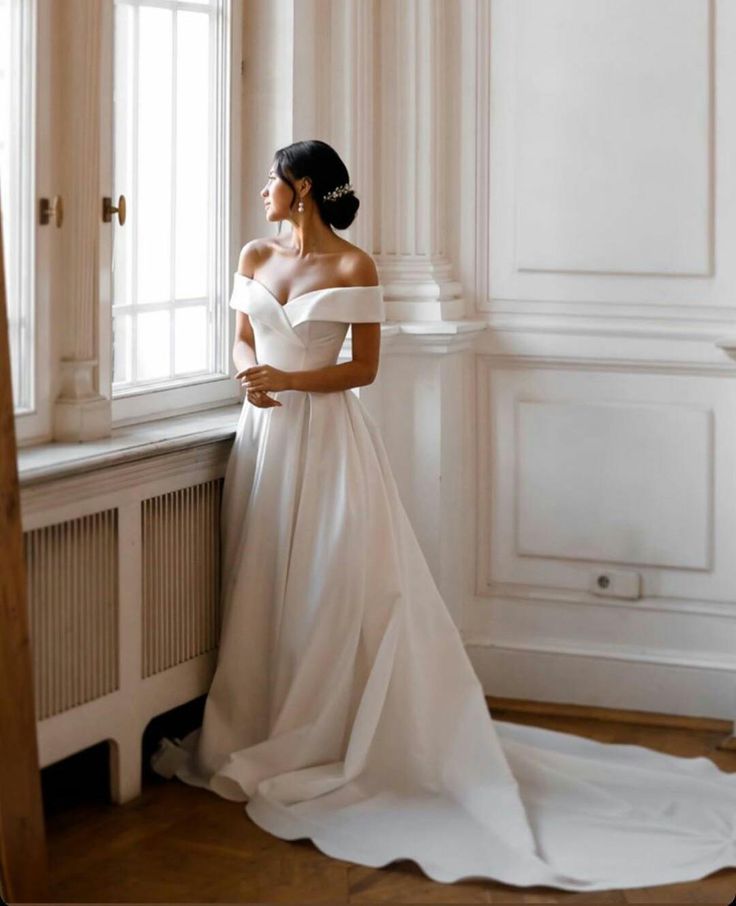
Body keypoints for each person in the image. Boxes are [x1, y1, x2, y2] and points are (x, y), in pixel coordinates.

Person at [151, 139, 736, 893]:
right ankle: (262, 721)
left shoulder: (356, 266)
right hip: (264, 439)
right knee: (261, 575)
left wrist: (291, 378)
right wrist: (248, 377)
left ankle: (325, 729)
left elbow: (364, 368)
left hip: (328, 443)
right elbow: (238, 335)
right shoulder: (254, 254)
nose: (262, 190)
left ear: (300, 188)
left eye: (274, 179)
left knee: (332, 584)